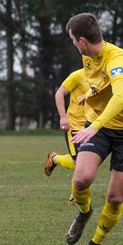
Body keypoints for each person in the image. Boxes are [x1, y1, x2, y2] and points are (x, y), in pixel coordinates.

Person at [64, 13, 123, 245]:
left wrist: (94, 126)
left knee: (115, 197)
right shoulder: (88, 56)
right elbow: (100, 81)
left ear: (81, 40)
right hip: (100, 124)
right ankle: (84, 212)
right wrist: (91, 92)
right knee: (81, 179)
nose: (73, 44)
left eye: (72, 40)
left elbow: (121, 97)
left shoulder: (118, 59)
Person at [45, 69, 89, 205]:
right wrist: (63, 117)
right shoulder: (78, 75)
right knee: (80, 164)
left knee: (89, 163)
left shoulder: (104, 77)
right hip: (74, 126)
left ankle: (54, 159)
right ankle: (74, 197)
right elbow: (59, 93)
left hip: (92, 127)